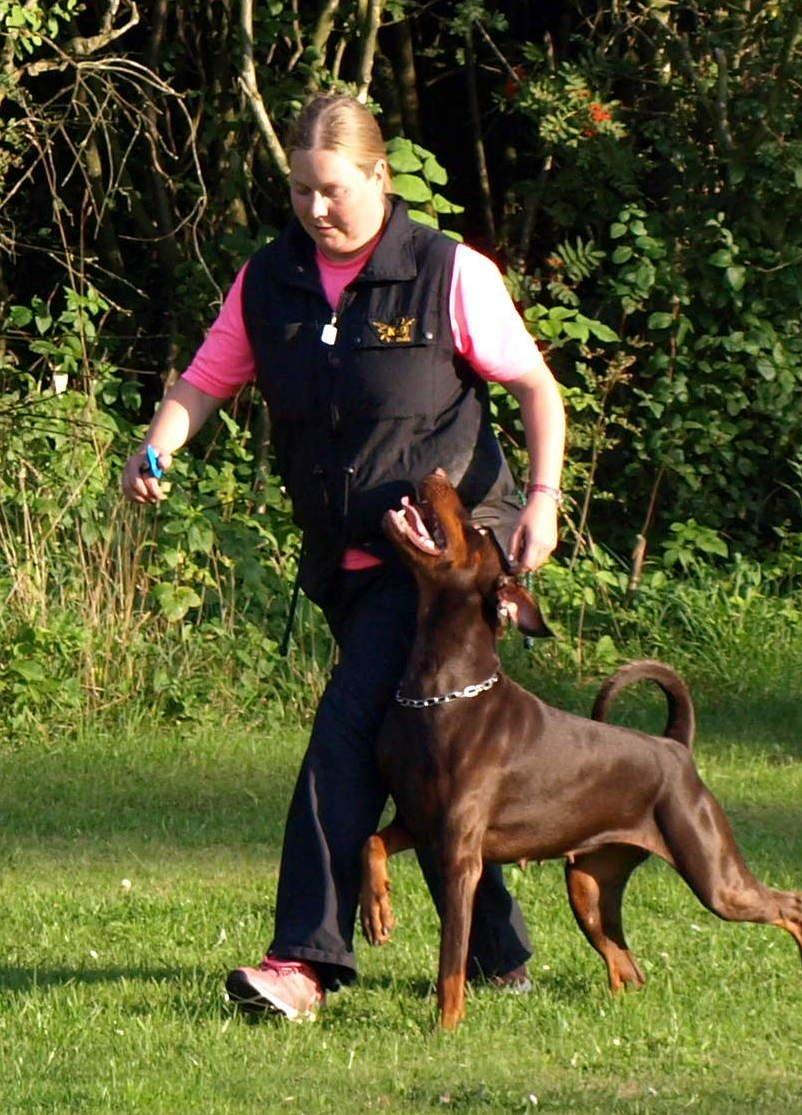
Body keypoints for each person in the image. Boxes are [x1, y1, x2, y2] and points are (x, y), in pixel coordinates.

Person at [122, 94, 566, 1021]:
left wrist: (542, 499)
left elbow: (534, 384)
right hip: (348, 565)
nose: (315, 208)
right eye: (299, 191)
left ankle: (303, 961)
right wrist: (158, 445)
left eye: (332, 190)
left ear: (378, 178)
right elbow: (207, 377)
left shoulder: (447, 273)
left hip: (441, 573)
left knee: (344, 741)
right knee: (416, 755)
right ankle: (500, 950)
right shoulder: (271, 280)